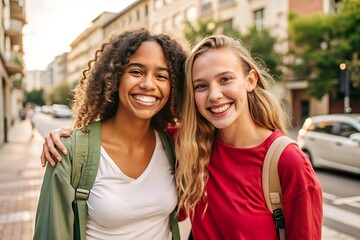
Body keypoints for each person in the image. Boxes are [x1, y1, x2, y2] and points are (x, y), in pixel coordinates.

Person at [40, 35, 323, 239]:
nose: (214, 95)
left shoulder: (288, 162)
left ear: (250, 81)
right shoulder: (187, 146)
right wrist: (67, 138)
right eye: (201, 86)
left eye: (225, 79)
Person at [34, 28, 187, 240]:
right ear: (115, 77)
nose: (148, 84)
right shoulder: (69, 151)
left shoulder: (174, 145)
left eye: (161, 76)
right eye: (136, 72)